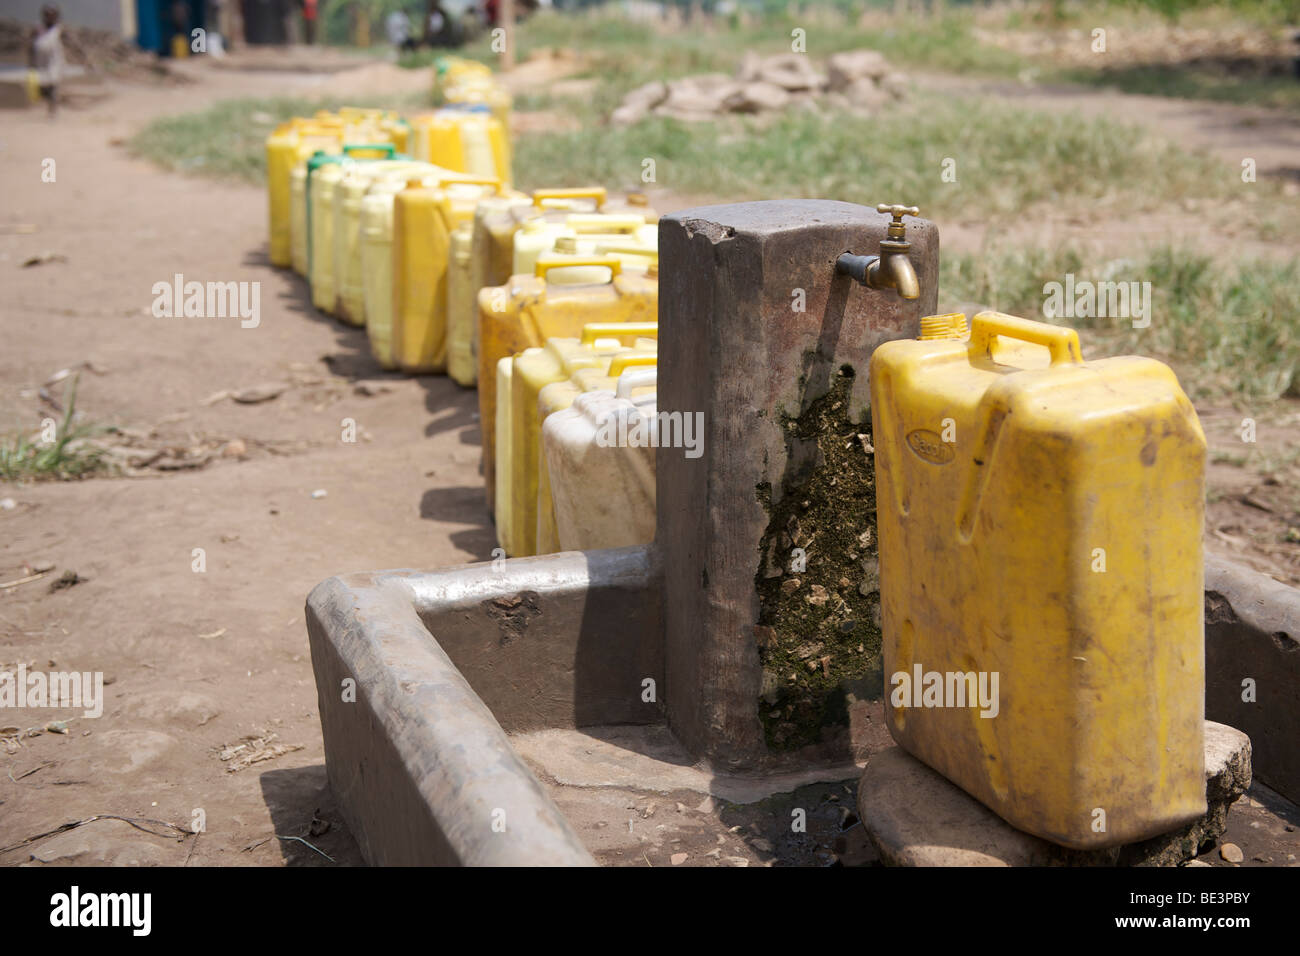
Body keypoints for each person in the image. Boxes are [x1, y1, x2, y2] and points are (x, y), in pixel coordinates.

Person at [29, 4, 66, 117]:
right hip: (40, 61)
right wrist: (31, 62)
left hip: (55, 61)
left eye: (52, 15)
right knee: (42, 85)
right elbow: (30, 45)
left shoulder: (59, 29)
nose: (50, 18)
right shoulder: (38, 28)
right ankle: (49, 102)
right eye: (48, 15)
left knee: (53, 85)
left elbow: (68, 43)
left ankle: (52, 109)